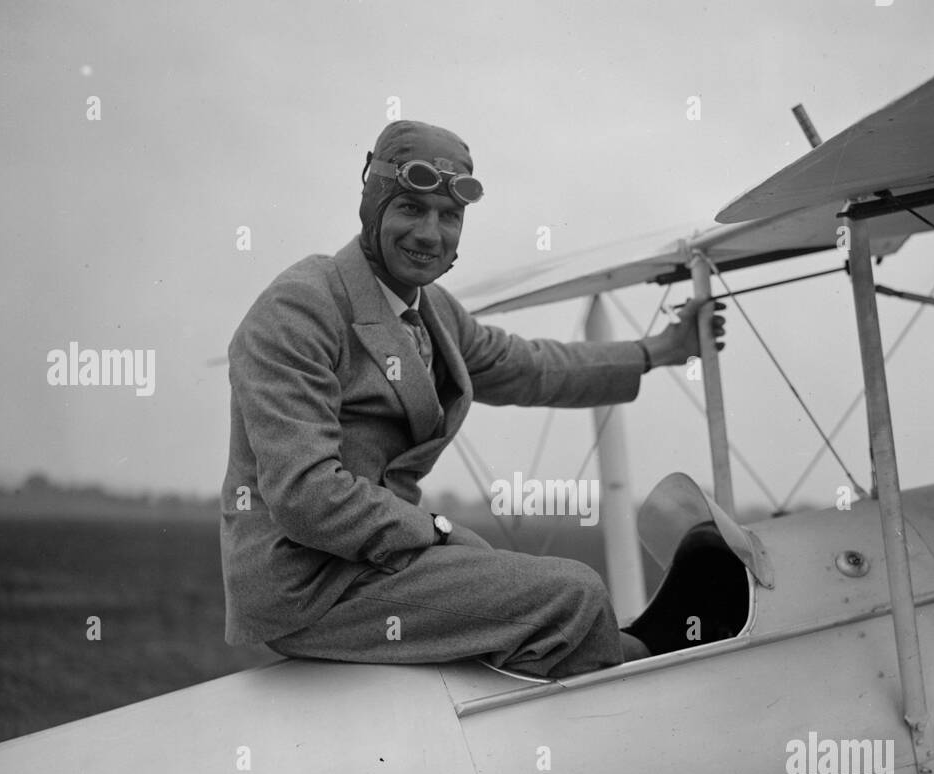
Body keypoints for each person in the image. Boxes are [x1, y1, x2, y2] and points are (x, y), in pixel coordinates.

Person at [220, 120, 725, 679]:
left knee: (544, 590)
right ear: (373, 207)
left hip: (377, 562)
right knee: (573, 593)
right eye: (411, 208)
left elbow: (528, 368)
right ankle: (647, 675)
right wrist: (437, 532)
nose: (430, 234)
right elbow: (306, 496)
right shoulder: (300, 307)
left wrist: (660, 349)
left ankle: (632, 661)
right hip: (310, 585)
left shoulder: (430, 310)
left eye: (449, 215)